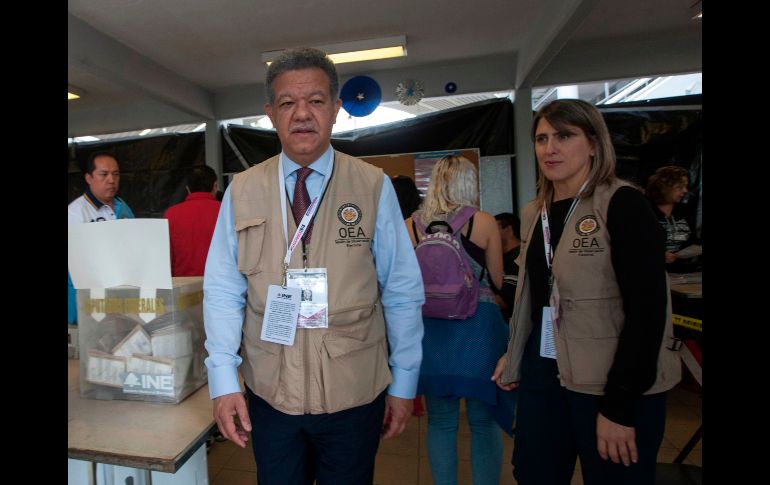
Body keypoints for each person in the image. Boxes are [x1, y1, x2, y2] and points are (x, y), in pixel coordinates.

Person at [202, 47, 425, 485]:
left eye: (316, 101)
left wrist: (404, 382)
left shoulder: (371, 186)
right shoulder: (242, 191)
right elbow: (224, 290)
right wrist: (223, 381)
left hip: (354, 391)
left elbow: (401, 290)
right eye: (288, 103)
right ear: (270, 113)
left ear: (337, 108)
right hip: (271, 393)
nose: (302, 114)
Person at [492, 99, 681, 485]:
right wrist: (515, 355)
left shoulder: (623, 203)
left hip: (609, 383)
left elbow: (647, 312)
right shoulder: (536, 212)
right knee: (533, 473)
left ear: (594, 143)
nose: (550, 148)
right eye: (542, 138)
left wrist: (620, 408)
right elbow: (536, 298)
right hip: (545, 375)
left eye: (564, 135)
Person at [406, 155, 514, 485]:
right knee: (483, 421)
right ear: (468, 183)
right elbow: (496, 280)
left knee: (441, 421)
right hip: (479, 327)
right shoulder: (482, 221)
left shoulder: (410, 224)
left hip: (431, 332)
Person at [68, 151, 135, 323]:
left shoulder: (123, 207)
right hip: (88, 300)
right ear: (89, 178)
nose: (111, 180)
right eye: (104, 174)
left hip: (122, 295)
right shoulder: (76, 213)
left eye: (116, 174)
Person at [390, 174, 427, 416]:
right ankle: (410, 394)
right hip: (425, 301)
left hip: (399, 303)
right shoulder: (422, 220)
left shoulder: (402, 226)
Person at [163, 165, 222, 276]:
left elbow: (166, 260)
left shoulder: (171, 214)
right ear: (215, 186)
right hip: (221, 287)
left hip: (183, 289)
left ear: (188, 189)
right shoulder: (226, 211)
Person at [645, 165, 701, 273]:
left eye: (685, 186)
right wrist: (659, 254)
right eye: (680, 187)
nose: (685, 191)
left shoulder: (684, 211)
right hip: (651, 270)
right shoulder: (646, 209)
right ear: (664, 187)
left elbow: (692, 241)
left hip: (680, 271)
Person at [494, 212, 521, 322]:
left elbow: (506, 300)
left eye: (494, 229)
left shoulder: (517, 258)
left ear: (508, 230)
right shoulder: (503, 258)